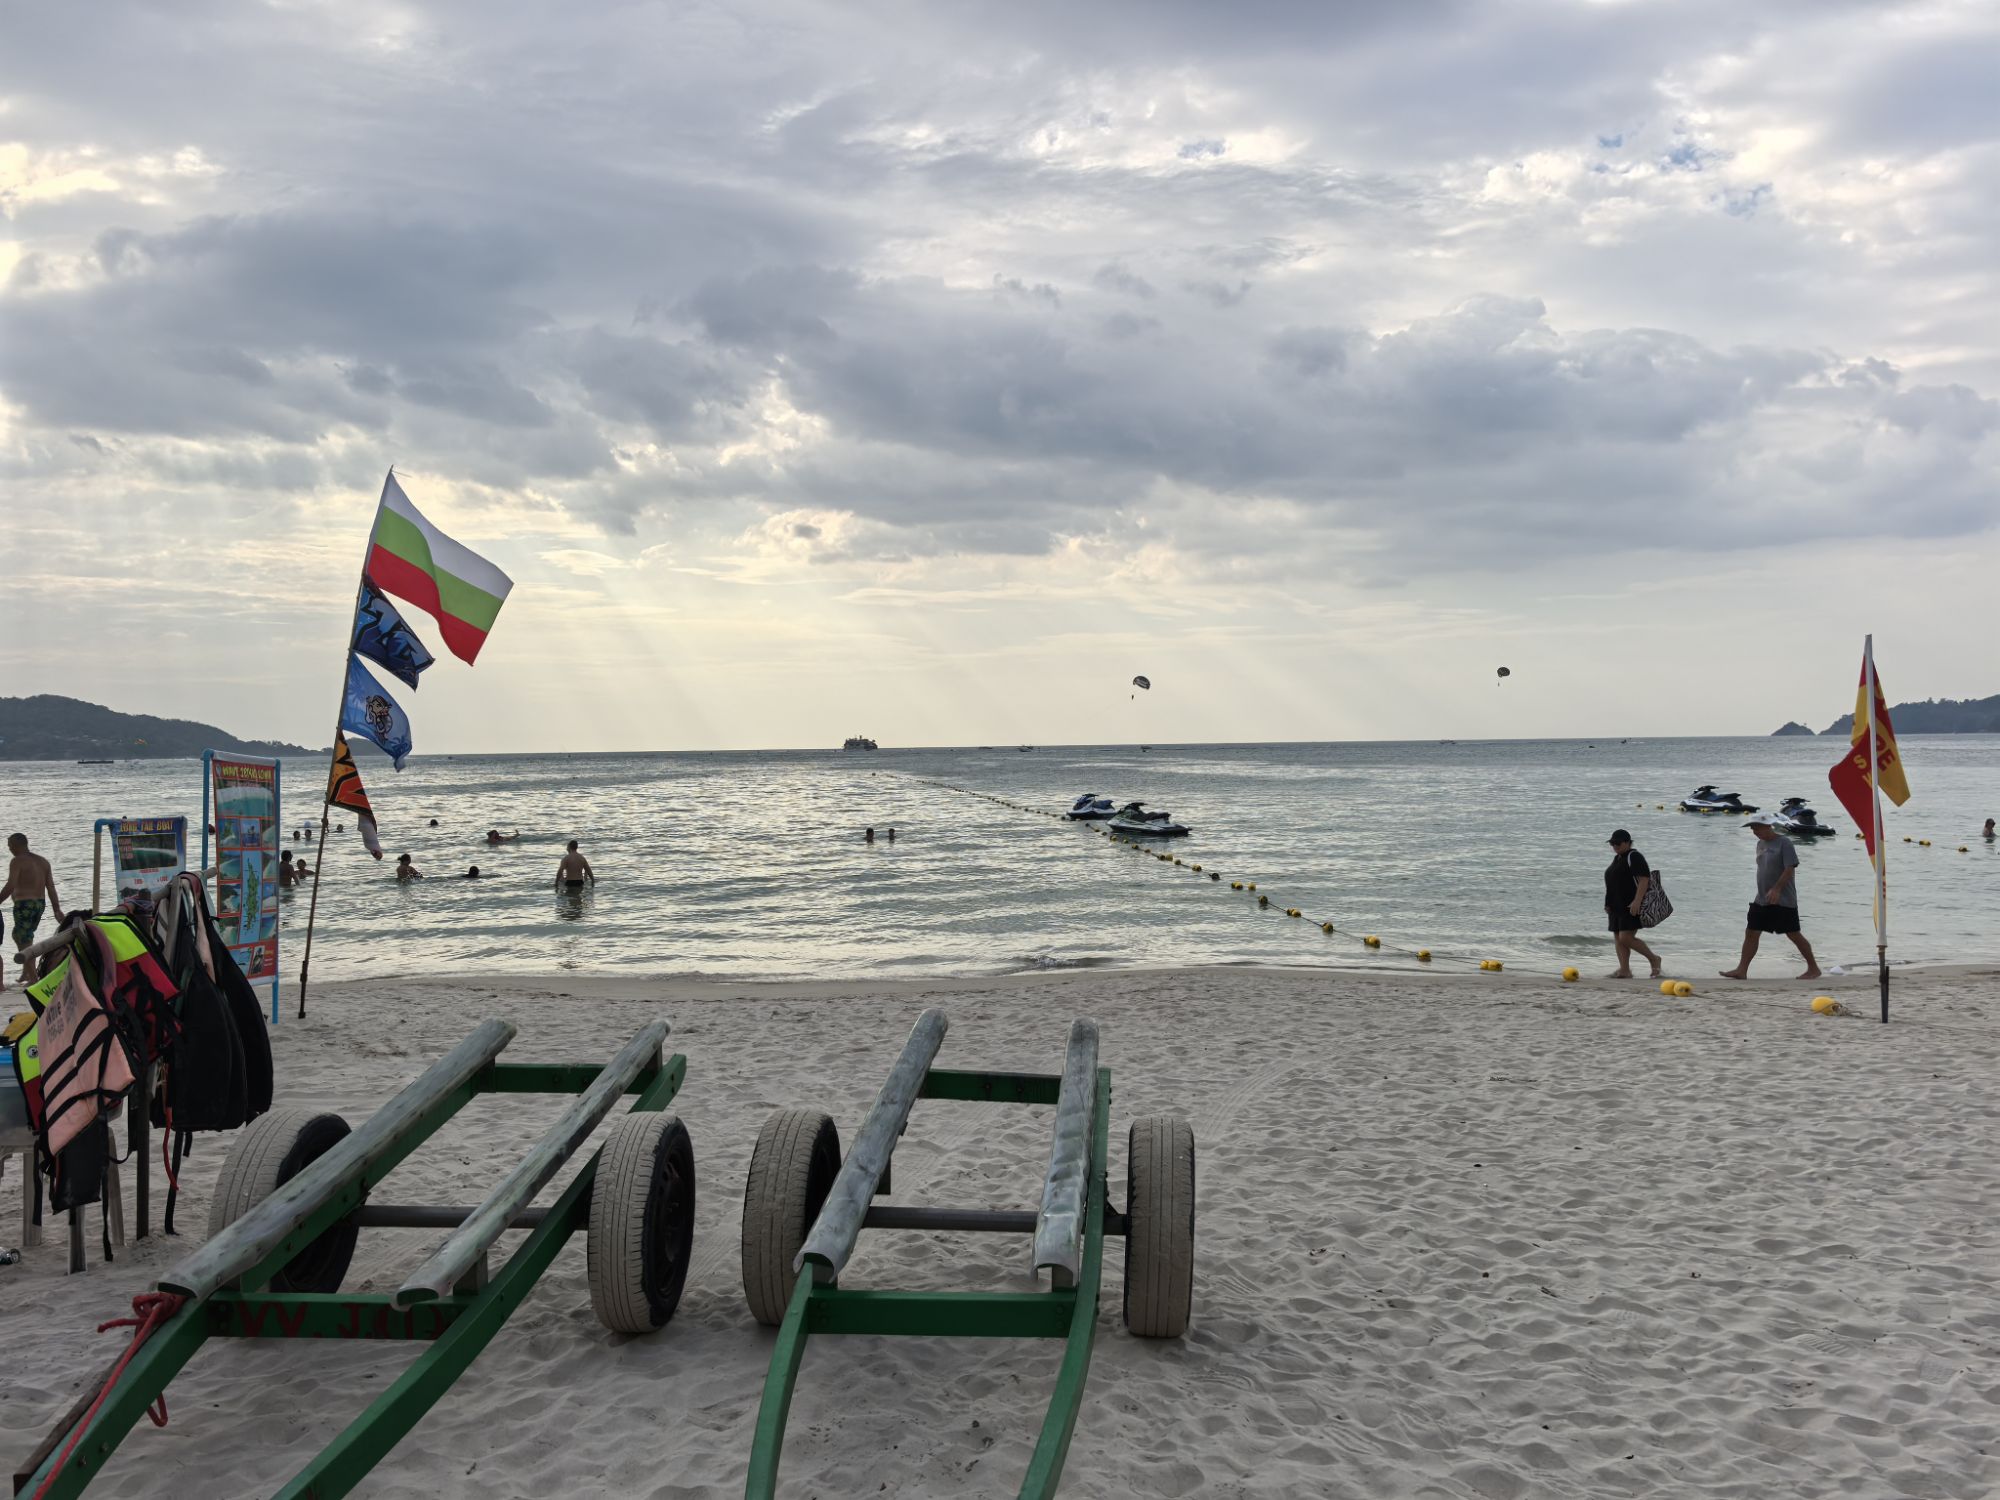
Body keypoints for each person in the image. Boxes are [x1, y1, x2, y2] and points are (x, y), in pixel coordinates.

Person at [1720, 813, 1821, 981]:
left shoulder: (1784, 843)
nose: (1754, 831)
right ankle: (1741, 970)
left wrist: (1777, 889)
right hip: (1762, 898)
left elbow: (1790, 868)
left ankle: (1813, 968)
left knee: (1793, 934)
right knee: (1751, 931)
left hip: (1783, 899)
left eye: (1757, 828)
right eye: (1752, 828)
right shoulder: (1760, 844)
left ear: (1768, 826)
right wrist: (1766, 891)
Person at [1602, 829, 1662, 979]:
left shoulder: (1634, 856)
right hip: (1616, 905)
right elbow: (1612, 883)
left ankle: (1654, 958)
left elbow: (1644, 879)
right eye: (1612, 843)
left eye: (1617, 843)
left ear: (1628, 842)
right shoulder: (1618, 858)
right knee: (1618, 937)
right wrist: (1608, 903)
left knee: (1626, 937)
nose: (1614, 846)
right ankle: (1625, 970)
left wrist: (1637, 901)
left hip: (1631, 904)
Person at [2, 833, 62, 979]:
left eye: (10, 846)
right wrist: (56, 909)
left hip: (24, 905)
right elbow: (51, 887)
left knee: (20, 937)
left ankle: (34, 978)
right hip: (39, 904)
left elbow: (11, 886)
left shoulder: (17, 861)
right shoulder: (43, 862)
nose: (9, 849)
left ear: (17, 845)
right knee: (27, 937)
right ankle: (26, 972)